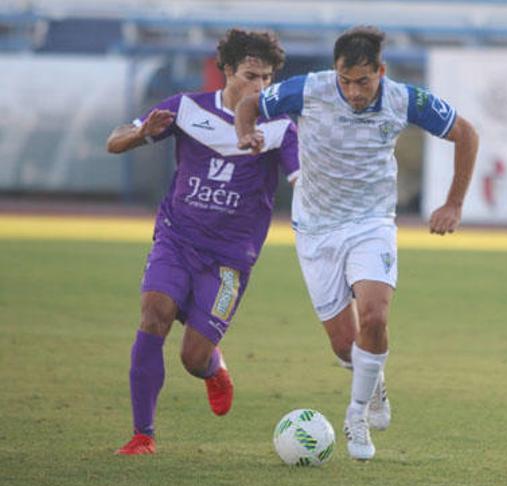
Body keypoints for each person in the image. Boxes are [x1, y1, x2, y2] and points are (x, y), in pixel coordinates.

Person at [235, 25, 479, 460]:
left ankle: (356, 416)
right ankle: (374, 381)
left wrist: (454, 203)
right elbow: (249, 104)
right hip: (316, 228)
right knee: (344, 344)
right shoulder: (309, 89)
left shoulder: (406, 99)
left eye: (363, 82)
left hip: (371, 223)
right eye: (345, 81)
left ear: (380, 72)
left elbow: (466, 134)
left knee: (375, 316)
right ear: (336, 73)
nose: (353, 91)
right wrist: (245, 133)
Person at [107, 29, 298, 455]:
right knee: (155, 311)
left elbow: (300, 176)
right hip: (177, 237)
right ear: (226, 70)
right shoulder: (186, 108)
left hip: (231, 259)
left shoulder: (279, 125)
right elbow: (114, 140)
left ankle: (213, 368)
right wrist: (140, 134)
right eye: (251, 75)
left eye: (267, 78)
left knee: (192, 357)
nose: (260, 87)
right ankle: (144, 435)